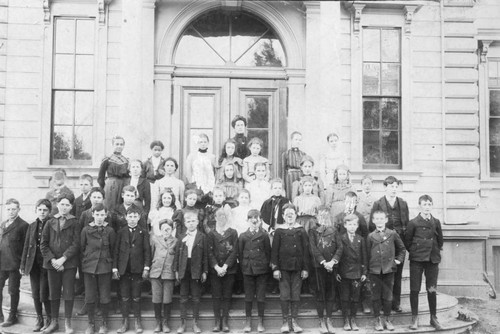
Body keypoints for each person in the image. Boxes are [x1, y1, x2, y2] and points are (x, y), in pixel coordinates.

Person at [40, 193, 80, 334]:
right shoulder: (50, 221)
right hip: (52, 265)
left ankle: (68, 323)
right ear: (57, 205)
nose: (64, 207)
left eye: (67, 205)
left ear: (71, 207)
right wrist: (53, 260)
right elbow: (43, 244)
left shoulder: (75, 222)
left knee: (68, 293)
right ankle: (54, 321)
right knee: (53, 293)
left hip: (68, 264)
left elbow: (76, 244)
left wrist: (63, 259)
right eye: (62, 204)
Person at [369, 176, 409, 313]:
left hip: (398, 242)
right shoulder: (378, 203)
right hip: (382, 243)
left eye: (396, 187)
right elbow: (371, 225)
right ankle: (381, 303)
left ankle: (395, 303)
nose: (394, 189)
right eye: (391, 186)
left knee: (397, 273)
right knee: (382, 273)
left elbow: (406, 224)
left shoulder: (402, 203)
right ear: (385, 187)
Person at [405, 195, 444, 331]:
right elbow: (407, 242)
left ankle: (433, 317)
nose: (427, 207)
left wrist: (434, 252)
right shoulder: (413, 223)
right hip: (417, 260)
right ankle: (414, 318)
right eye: (424, 204)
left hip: (432, 261)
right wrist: (417, 252)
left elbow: (440, 241)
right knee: (414, 289)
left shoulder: (436, 222)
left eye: (429, 204)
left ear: (432, 206)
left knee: (431, 289)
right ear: (419, 206)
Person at [112, 205, 151, 334]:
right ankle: (124, 322)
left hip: (137, 269)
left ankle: (137, 321)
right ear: (126, 217)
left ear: (139, 217)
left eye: (135, 217)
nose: (132, 219)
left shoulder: (143, 232)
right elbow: (116, 251)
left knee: (136, 297)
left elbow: (147, 251)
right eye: (130, 216)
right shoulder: (121, 232)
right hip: (124, 270)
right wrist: (115, 268)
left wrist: (146, 267)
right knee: (124, 297)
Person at [271, 204, 309, 333]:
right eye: (287, 214)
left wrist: (305, 268)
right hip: (283, 269)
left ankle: (294, 320)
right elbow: (274, 251)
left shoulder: (301, 231)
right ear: (283, 216)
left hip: (297, 268)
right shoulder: (279, 231)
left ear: (296, 215)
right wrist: (275, 268)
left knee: (296, 294)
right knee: (285, 294)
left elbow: (305, 251)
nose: (289, 216)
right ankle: (285, 321)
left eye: (292, 214)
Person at [366, 210, 406, 332]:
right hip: (375, 270)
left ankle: (387, 319)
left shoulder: (392, 234)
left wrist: (398, 261)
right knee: (376, 296)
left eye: (381, 218)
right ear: (373, 221)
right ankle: (377, 319)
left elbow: (402, 249)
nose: (379, 221)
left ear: (386, 220)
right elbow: (367, 254)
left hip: (389, 270)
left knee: (388, 296)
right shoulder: (370, 236)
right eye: (377, 219)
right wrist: (367, 270)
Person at [80, 203, 116, 334]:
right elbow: (82, 249)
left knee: (105, 296)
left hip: (105, 267)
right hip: (89, 268)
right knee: (90, 296)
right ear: (93, 215)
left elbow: (113, 250)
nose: (100, 217)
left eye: (102, 215)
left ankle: (104, 323)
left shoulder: (110, 231)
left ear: (106, 215)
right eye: (97, 214)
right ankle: (91, 324)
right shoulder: (86, 230)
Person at [308, 205, 342, 334]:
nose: (324, 217)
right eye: (321, 214)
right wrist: (323, 262)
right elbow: (313, 248)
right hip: (319, 267)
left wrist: (332, 262)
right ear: (317, 216)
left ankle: (329, 319)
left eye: (326, 215)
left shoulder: (334, 230)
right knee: (320, 293)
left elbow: (340, 247)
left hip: (332, 267)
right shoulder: (313, 231)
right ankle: (321, 320)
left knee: (331, 293)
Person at [174, 211, 208, 334]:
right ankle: (182, 323)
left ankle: (195, 323)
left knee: (195, 298)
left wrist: (204, 271)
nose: (191, 223)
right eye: (188, 221)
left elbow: (205, 255)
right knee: (183, 298)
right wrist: (176, 270)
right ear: (185, 223)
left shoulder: (202, 237)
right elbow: (177, 255)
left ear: (198, 222)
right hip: (184, 269)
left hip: (196, 270)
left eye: (193, 221)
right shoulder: (181, 236)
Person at [20, 199, 52, 332]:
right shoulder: (32, 226)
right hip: (33, 263)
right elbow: (27, 246)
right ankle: (39, 319)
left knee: (44, 293)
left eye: (45, 210)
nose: (42, 212)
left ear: (49, 211)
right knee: (35, 293)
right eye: (40, 210)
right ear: (36, 210)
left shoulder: (52, 224)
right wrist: (23, 265)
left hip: (46, 264)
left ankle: (49, 319)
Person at [239, 209, 271, 333]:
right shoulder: (243, 236)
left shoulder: (264, 235)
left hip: (261, 270)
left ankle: (260, 322)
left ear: (260, 221)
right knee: (248, 296)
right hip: (248, 269)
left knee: (261, 296)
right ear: (247, 221)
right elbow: (240, 254)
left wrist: (264, 265)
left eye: (256, 219)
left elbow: (268, 252)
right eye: (251, 219)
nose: (254, 221)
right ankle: (248, 321)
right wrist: (245, 266)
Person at [207, 208, 238, 333]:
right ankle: (217, 321)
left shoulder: (233, 232)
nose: (221, 219)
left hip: (228, 270)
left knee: (226, 295)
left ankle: (224, 321)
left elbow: (235, 251)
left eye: (224, 217)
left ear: (227, 218)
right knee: (216, 295)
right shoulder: (211, 234)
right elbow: (209, 252)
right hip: (215, 270)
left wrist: (225, 266)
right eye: (219, 217)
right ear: (215, 218)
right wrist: (216, 267)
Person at [0, 198, 28, 327]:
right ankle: (0, 315)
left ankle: (12, 316)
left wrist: (23, 265)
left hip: (15, 264)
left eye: (13, 209)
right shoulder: (3, 224)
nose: (11, 211)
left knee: (13, 290)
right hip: (2, 263)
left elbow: (26, 247)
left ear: (18, 209)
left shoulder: (23, 225)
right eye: (8, 209)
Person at [336, 214, 367, 331]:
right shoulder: (340, 238)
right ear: (345, 225)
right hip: (344, 273)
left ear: (357, 225)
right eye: (349, 224)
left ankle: (353, 319)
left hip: (357, 273)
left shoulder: (361, 239)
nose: (352, 227)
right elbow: (338, 256)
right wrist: (337, 272)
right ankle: (346, 320)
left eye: (354, 224)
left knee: (355, 297)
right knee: (344, 297)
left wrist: (364, 272)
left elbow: (364, 257)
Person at [150, 219, 178, 333]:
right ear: (160, 229)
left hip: (168, 272)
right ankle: (158, 322)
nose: (166, 231)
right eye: (163, 229)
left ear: (172, 229)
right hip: (156, 272)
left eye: (168, 229)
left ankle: (166, 322)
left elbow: (176, 258)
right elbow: (151, 254)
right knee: (156, 297)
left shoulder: (176, 241)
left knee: (167, 298)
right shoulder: (155, 239)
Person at [98, 135, 129, 212]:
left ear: (124, 146)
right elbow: (100, 177)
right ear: (113, 145)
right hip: (111, 186)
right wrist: (105, 187)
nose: (119, 146)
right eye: (117, 144)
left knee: (121, 207)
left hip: (123, 185)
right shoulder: (107, 159)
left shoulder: (126, 160)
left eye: (121, 144)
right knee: (110, 207)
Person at [282, 131, 307, 199]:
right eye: (296, 139)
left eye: (300, 140)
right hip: (290, 177)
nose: (298, 141)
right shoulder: (286, 154)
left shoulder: (303, 154)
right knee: (291, 195)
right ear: (291, 140)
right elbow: (283, 170)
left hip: (301, 176)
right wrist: (283, 185)